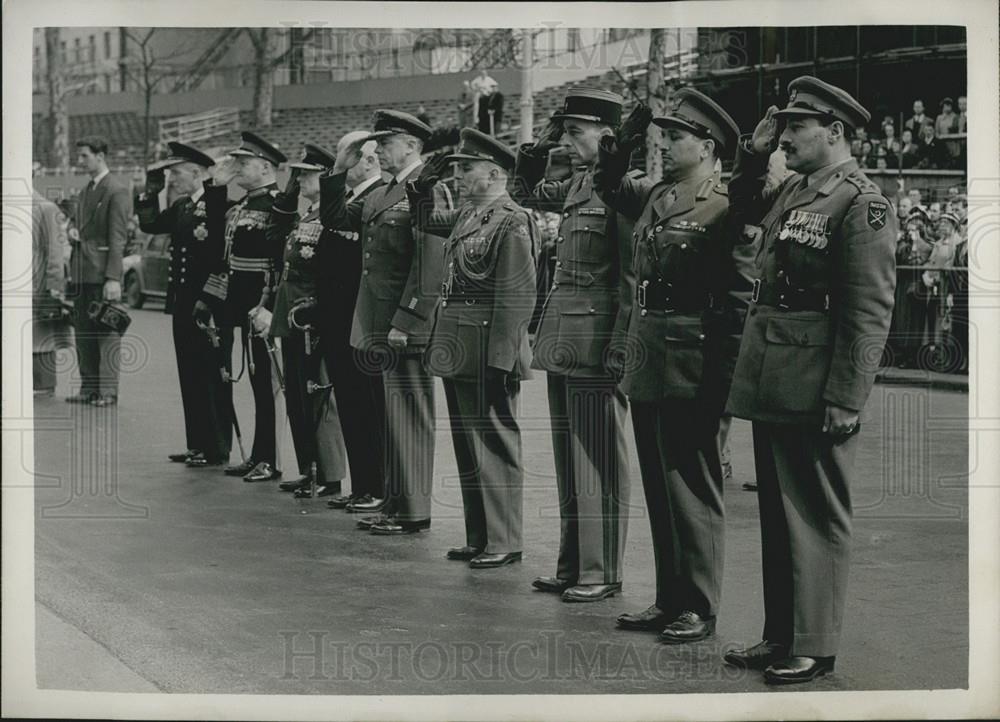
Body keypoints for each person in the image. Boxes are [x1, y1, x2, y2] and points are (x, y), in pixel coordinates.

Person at [724, 76, 896, 684]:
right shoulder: (795, 188)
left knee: (816, 515)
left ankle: (815, 645)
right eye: (785, 126)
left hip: (816, 380)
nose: (787, 137)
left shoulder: (861, 202)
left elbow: (869, 309)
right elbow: (740, 209)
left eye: (797, 127)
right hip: (775, 372)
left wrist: (848, 395)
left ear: (836, 131)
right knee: (779, 513)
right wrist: (754, 151)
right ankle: (782, 635)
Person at [595, 89, 742, 641]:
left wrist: (724, 378)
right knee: (660, 484)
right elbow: (610, 186)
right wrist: (624, 142)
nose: (666, 145)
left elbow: (739, 296)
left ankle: (700, 605)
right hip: (651, 353)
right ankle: (669, 596)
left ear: (707, 146)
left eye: (676, 137)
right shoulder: (658, 194)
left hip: (694, 359)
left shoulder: (725, 202)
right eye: (663, 136)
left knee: (693, 486)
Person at [512, 88, 634, 603]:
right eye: (564, 132)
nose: (567, 141)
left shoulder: (623, 188)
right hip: (565, 335)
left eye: (575, 132)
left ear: (608, 138)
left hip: (598, 339)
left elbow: (629, 278)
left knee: (598, 460)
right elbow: (524, 193)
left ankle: (600, 569)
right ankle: (572, 562)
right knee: (569, 457)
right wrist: (538, 147)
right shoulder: (578, 183)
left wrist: (622, 346)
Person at [411, 129, 538, 568]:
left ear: (495, 173)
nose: (459, 176)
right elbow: (425, 219)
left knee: (495, 443)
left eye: (467, 168)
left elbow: (517, 295)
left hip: (487, 346)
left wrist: (504, 356)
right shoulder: (469, 215)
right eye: (457, 168)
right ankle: (480, 534)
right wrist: (424, 177)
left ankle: (504, 539)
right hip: (459, 343)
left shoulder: (512, 219)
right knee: (468, 445)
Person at [321, 109, 444, 535]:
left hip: (403, 322)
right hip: (375, 321)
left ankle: (412, 510)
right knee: (388, 418)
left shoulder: (426, 187)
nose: (377, 150)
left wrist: (408, 318)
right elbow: (336, 219)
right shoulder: (382, 193)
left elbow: (429, 262)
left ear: (411, 144)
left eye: (386, 142)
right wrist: (340, 166)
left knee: (408, 416)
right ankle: (394, 503)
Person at [194, 131, 287, 483]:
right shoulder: (242, 206)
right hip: (241, 305)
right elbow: (221, 251)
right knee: (255, 382)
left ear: (265, 166)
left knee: (268, 385)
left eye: (244, 163)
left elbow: (280, 264)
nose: (238, 169)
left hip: (263, 306)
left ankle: (271, 459)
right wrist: (216, 189)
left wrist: (272, 307)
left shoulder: (278, 206)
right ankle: (260, 455)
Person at [135, 142, 234, 468]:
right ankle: (198, 444)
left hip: (206, 304)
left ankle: (216, 447)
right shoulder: (183, 207)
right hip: (182, 302)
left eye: (176, 173)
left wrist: (207, 298)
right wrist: (150, 190)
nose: (172, 179)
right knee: (189, 374)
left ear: (196, 173)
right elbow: (150, 225)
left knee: (209, 374)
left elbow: (219, 251)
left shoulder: (218, 204)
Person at [260, 143, 350, 498]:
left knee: (319, 395)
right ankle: (307, 467)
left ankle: (329, 474)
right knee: (297, 393)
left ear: (325, 177)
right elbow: (272, 235)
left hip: (313, 315)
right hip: (292, 315)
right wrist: (289, 191)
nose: (299, 179)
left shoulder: (328, 217)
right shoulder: (304, 216)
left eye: (306, 174)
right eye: (296, 173)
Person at [320, 132, 389, 512]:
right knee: (349, 402)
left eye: (350, 156)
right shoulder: (350, 198)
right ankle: (362, 484)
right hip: (339, 316)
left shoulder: (377, 195)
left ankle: (376, 484)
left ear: (367, 160)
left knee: (368, 406)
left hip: (363, 317)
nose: (345, 163)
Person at [66, 136, 129, 407]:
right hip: (82, 272)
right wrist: (71, 231)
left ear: (100, 156)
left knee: (106, 332)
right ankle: (89, 387)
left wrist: (113, 278)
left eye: (85, 156)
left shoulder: (116, 190)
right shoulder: (86, 191)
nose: (80, 161)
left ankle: (107, 391)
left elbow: (118, 238)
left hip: (101, 272)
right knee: (83, 333)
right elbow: (80, 227)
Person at [32, 189, 67, 396]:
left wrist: (54, 286)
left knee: (41, 337)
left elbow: (55, 251)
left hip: (38, 284)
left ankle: (43, 384)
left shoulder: (46, 207)